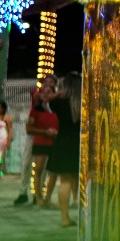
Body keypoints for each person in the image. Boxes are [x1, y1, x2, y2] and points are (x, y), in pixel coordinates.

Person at [46, 74, 84, 228]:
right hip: (79, 142)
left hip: (62, 142)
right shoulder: (84, 103)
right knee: (84, 180)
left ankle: (65, 217)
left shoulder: (58, 103)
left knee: (65, 181)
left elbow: (47, 98)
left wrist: (59, 93)